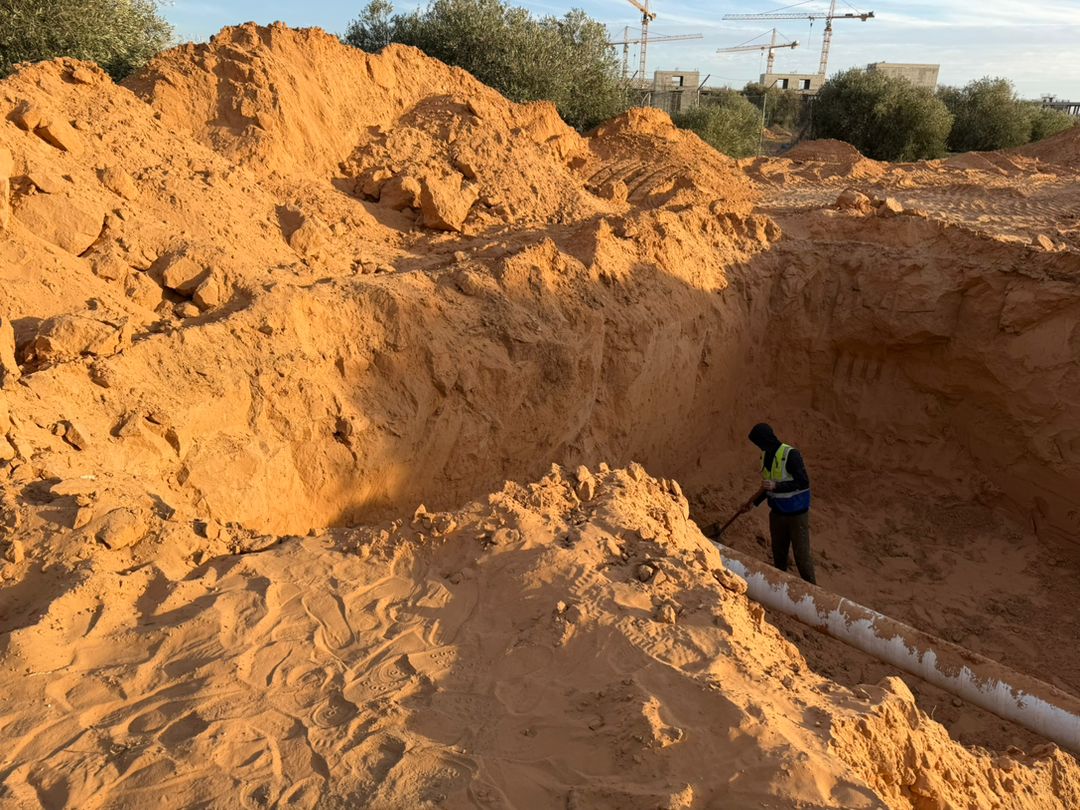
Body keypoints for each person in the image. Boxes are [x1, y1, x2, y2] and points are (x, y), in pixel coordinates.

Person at [748, 422, 816, 584]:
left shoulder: (791, 455)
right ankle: (779, 587)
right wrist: (753, 503)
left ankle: (813, 589)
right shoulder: (765, 456)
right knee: (779, 553)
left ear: (765, 439)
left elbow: (803, 482)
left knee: (802, 556)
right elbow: (767, 487)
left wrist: (777, 486)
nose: (758, 446)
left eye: (758, 442)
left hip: (796, 515)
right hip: (777, 513)